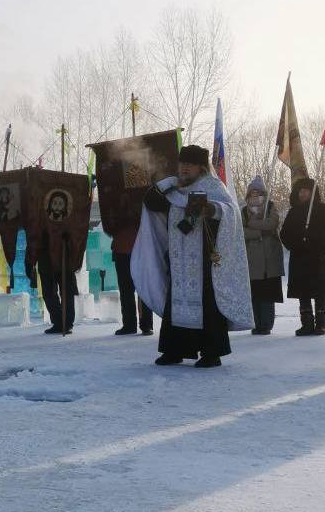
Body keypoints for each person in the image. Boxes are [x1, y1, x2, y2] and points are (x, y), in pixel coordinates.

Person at [131, 145, 253, 368]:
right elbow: (151, 202)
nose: (185, 168)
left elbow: (231, 212)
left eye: (190, 164)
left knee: (207, 305)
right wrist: (168, 183)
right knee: (176, 304)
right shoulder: (175, 189)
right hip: (179, 261)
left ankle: (211, 353)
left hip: (205, 261)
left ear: (201, 167)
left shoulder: (213, 187)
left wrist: (211, 209)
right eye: (182, 163)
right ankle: (174, 351)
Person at [280, 178, 325, 336]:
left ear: (313, 193)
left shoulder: (322, 209)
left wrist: (319, 237)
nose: (302, 193)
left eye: (306, 190)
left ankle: (321, 324)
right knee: (303, 292)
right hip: (300, 257)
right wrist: (296, 242)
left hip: (319, 257)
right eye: (300, 191)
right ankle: (306, 323)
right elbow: (284, 234)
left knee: (320, 292)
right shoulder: (294, 212)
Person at [241, 175, 283, 335]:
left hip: (268, 261)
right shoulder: (243, 211)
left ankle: (266, 325)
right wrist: (258, 232)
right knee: (254, 295)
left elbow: (272, 223)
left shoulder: (270, 207)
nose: (255, 195)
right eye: (252, 192)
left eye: (258, 192)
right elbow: (241, 232)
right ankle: (256, 324)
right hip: (251, 261)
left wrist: (252, 224)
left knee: (267, 295)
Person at [111, 216, 153, 338]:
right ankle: (132, 324)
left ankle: (144, 324)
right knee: (126, 289)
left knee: (141, 288)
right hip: (123, 246)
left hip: (140, 246)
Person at [36, 241, 78, 335]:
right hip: (46, 254)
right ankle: (59, 322)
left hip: (64, 253)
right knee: (49, 293)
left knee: (67, 292)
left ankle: (66, 323)